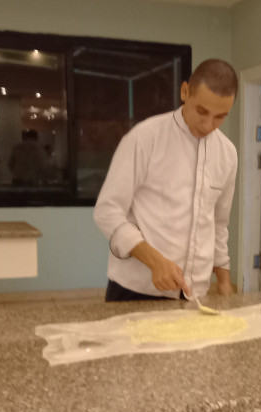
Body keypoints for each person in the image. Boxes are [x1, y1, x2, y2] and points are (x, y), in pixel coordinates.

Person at [93, 59, 238, 302]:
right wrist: (155, 261)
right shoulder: (145, 137)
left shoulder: (228, 153)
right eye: (202, 111)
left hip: (194, 293)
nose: (208, 125)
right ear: (185, 92)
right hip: (136, 290)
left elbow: (218, 224)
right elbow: (107, 211)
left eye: (220, 117)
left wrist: (224, 282)